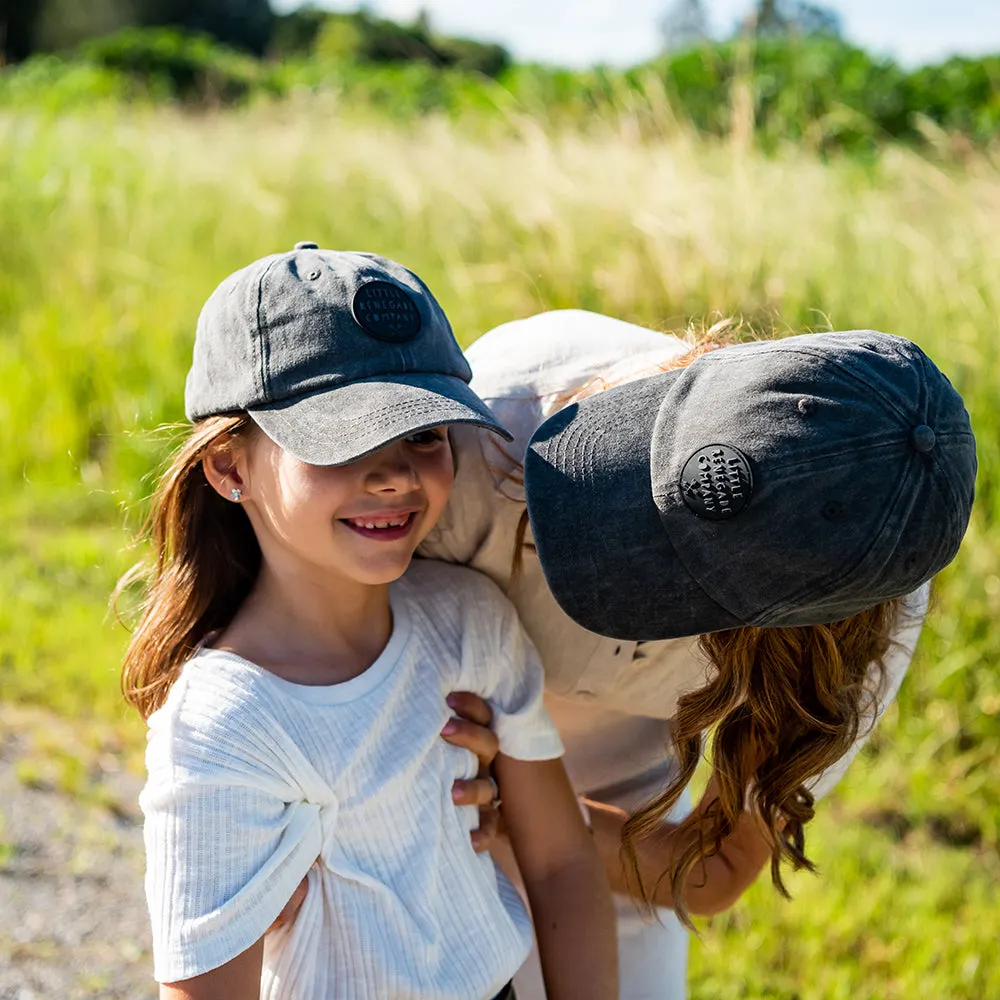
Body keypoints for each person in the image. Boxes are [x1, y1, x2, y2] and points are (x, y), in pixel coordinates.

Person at [413, 309, 977, 999]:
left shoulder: (864, 607)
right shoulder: (490, 434)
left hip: (625, 790)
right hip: (446, 713)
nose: (621, 538)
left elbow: (717, 866)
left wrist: (535, 817)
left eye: (668, 563)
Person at [120, 250, 618, 1000]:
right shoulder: (223, 724)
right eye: (345, 439)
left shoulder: (470, 622)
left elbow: (562, 866)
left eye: (424, 434)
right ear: (230, 468)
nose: (394, 474)